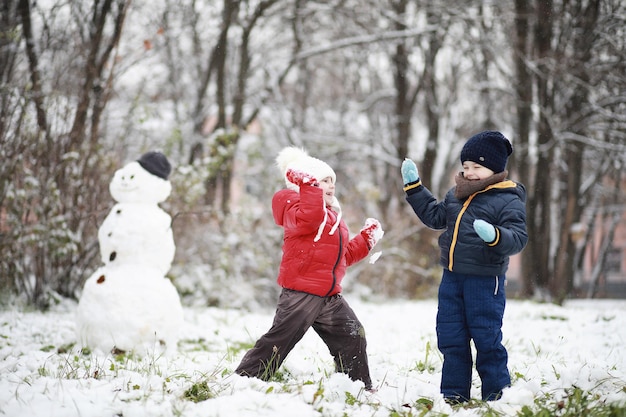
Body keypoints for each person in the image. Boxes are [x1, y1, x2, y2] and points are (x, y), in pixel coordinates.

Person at [235, 146, 383, 391]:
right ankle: (244, 380)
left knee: (352, 335)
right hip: (301, 294)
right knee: (279, 341)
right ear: (306, 182)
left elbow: (342, 256)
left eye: (332, 181)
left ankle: (357, 385)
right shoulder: (289, 202)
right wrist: (308, 187)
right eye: (324, 181)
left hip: (328, 295)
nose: (331, 186)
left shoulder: (332, 216)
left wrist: (366, 240)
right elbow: (308, 219)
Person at [401, 130, 528, 403]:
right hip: (452, 278)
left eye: (477, 167)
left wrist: (495, 236)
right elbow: (435, 217)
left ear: (494, 169)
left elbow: (518, 238)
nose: (469, 173)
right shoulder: (455, 195)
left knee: (486, 338)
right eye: (466, 166)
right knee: (451, 336)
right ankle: (454, 394)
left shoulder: (507, 199)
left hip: (485, 282)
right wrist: (415, 189)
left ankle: (498, 395)